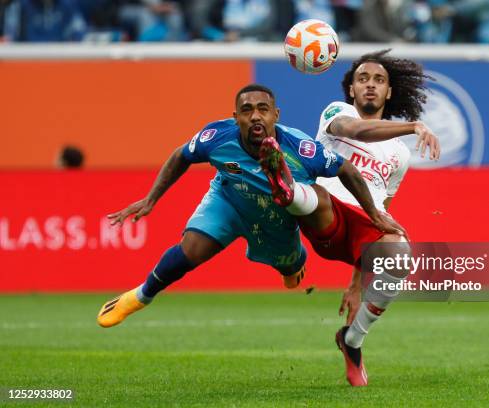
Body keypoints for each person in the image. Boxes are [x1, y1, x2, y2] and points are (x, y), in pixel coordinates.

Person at [97, 83, 402, 330]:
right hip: (228, 201)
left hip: (275, 219)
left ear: (276, 115)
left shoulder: (302, 149)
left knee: (290, 269)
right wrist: (151, 199)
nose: (255, 117)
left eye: (263, 110)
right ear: (235, 117)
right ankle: (141, 296)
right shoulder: (216, 137)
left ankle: (294, 260)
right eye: (246, 111)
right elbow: (181, 155)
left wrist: (374, 215)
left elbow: (347, 170)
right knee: (191, 249)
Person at [313, 49, 440, 386]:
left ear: (389, 92)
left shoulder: (399, 154)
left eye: (379, 80)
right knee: (310, 195)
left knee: (399, 256)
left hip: (359, 222)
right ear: (351, 89)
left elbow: (378, 211)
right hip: (326, 210)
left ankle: (352, 340)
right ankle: (284, 214)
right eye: (363, 79)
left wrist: (357, 284)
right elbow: (357, 130)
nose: (370, 85)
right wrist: (413, 126)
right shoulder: (336, 113)